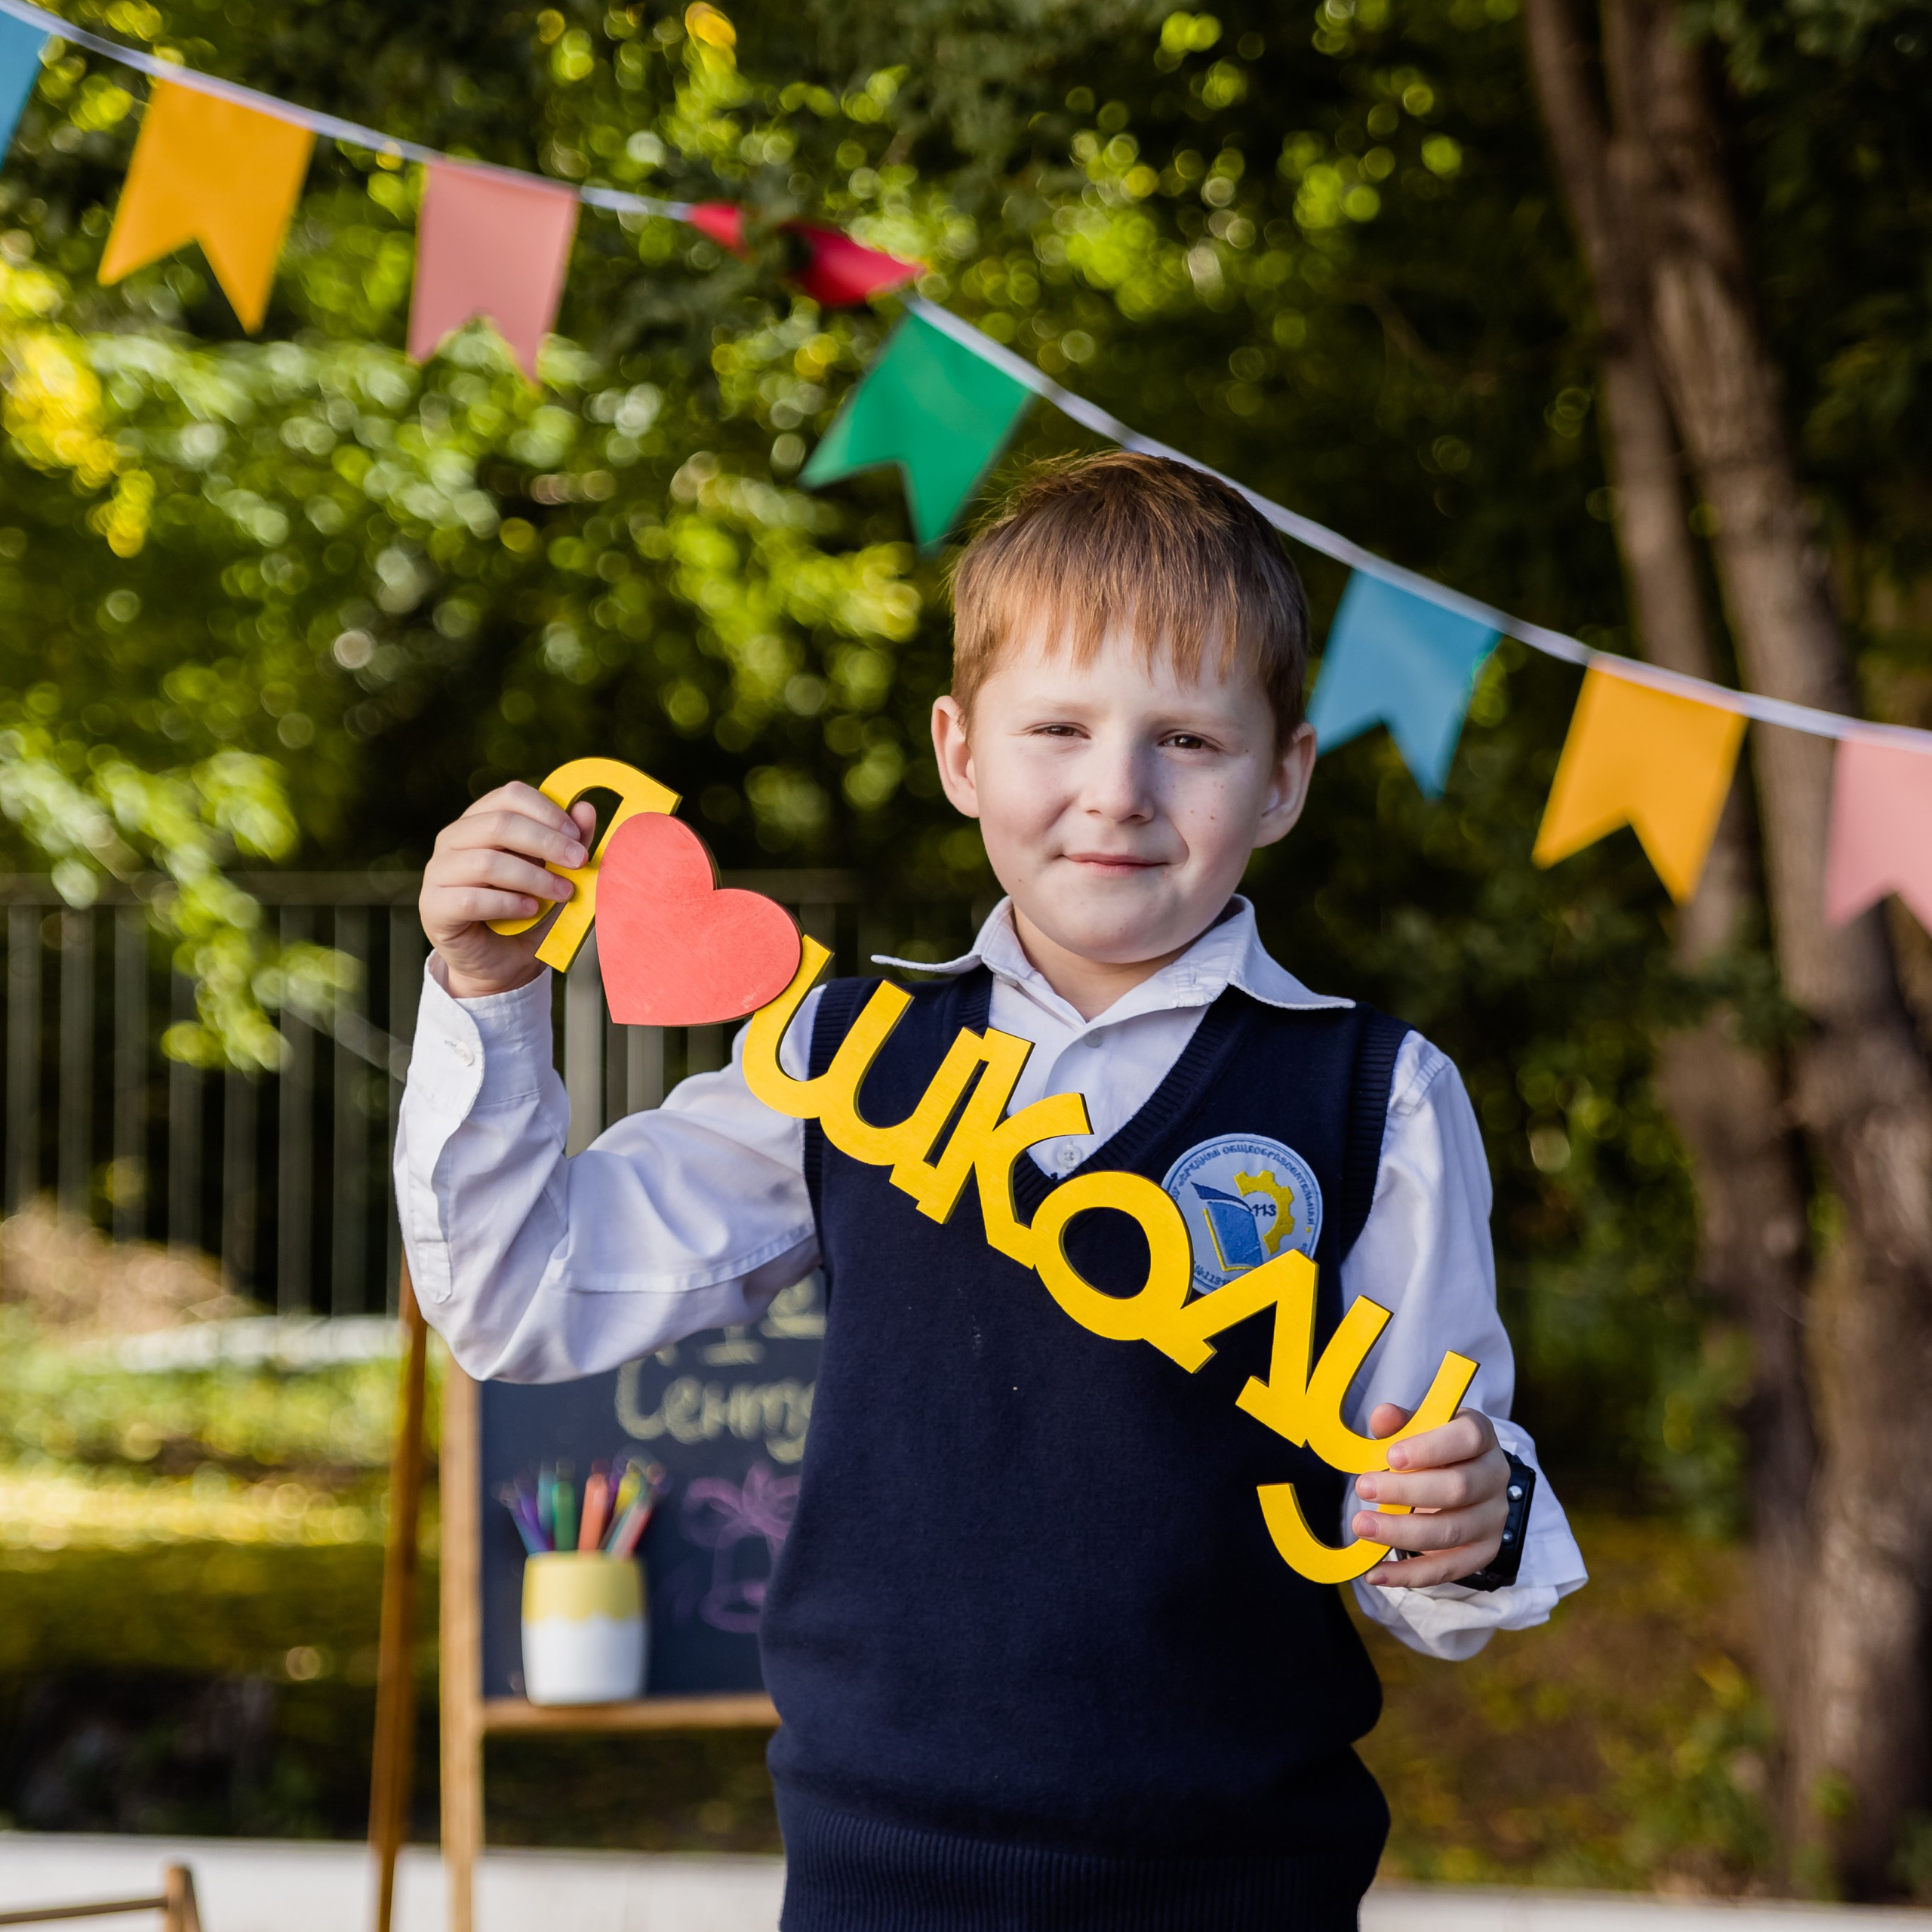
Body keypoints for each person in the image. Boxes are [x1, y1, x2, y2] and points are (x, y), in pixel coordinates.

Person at [398, 451, 1586, 1929]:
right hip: (876, 1877)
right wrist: (486, 989)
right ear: (961, 753)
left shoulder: (1373, 1094)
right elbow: (519, 1299)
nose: (1116, 791)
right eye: (1059, 729)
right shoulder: (841, 1059)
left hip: (1239, 1882)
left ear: (1281, 775)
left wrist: (1467, 1513)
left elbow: (1425, 1529)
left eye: (1187, 741)